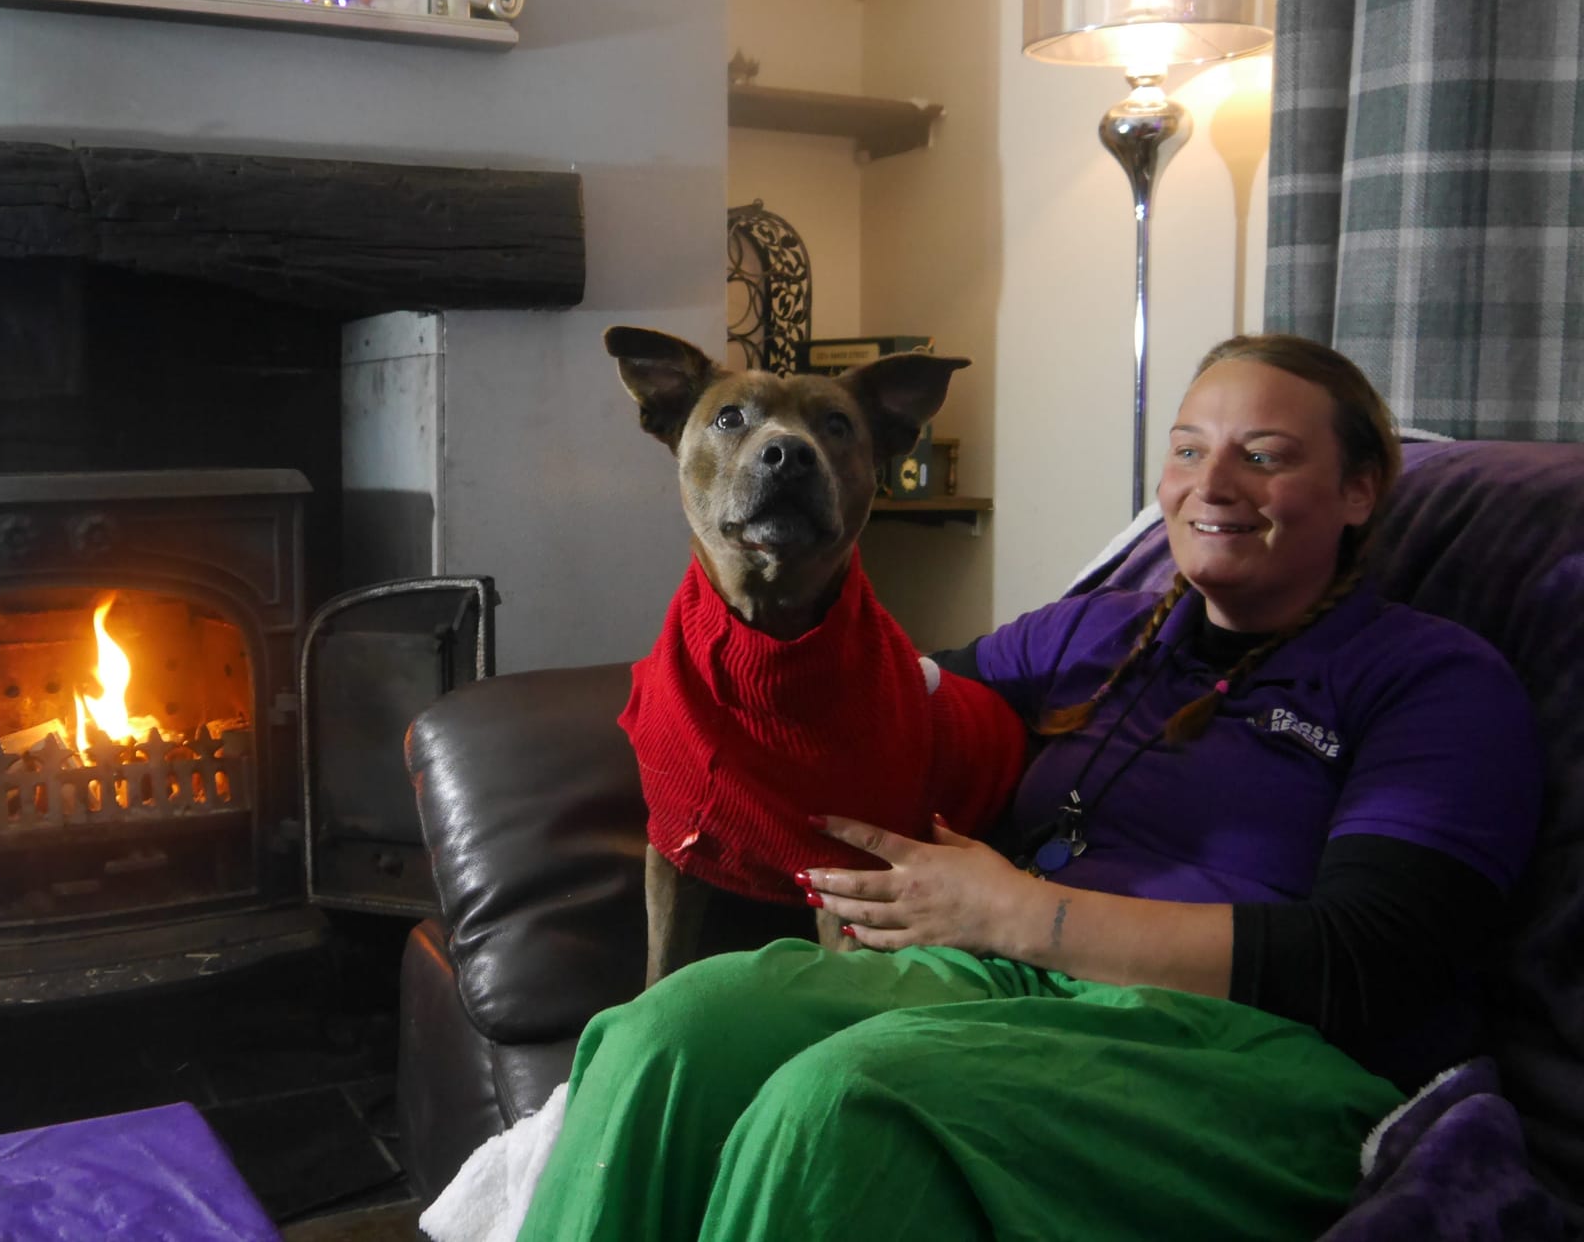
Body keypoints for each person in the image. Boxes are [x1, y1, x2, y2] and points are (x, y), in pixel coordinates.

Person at [513, 334, 1544, 1242]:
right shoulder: (1091, 635)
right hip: (998, 989)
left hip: (1249, 1048)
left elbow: (1375, 960)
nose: (1213, 484)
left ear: (1359, 491)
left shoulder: (1431, 679)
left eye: (1263, 456)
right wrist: (709, 685)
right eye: (1189, 451)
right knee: (669, 1033)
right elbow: (880, 703)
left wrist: (1017, 914)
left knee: (844, 1098)